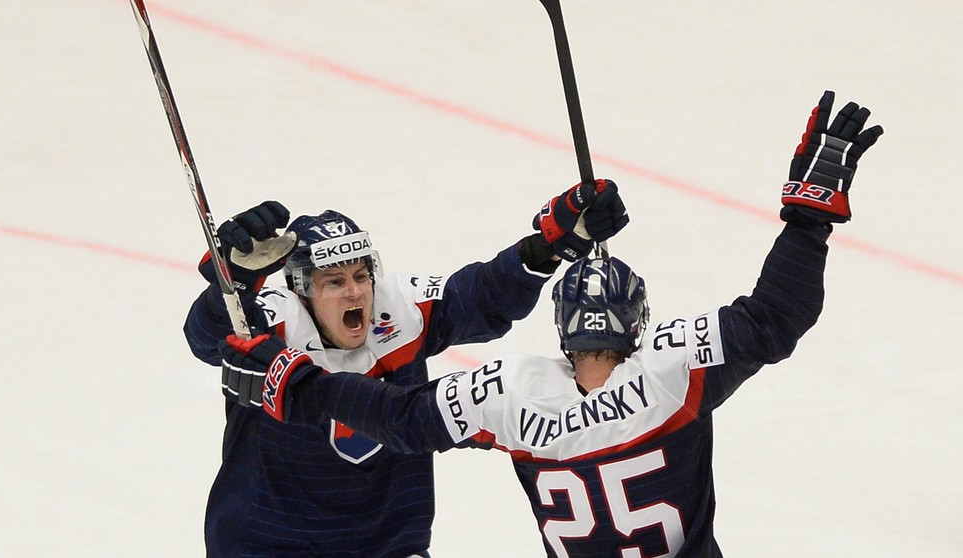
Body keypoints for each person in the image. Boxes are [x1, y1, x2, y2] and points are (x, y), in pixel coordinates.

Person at [219, 90, 883, 557]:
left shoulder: (511, 393)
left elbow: (401, 420)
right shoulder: (671, 373)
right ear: (638, 326)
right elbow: (776, 316)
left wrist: (298, 386)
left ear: (563, 330)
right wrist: (809, 217)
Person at [183, 177, 629, 557]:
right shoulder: (269, 325)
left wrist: (549, 245)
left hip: (389, 545)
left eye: (360, 276)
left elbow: (481, 296)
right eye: (334, 282)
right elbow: (208, 337)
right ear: (301, 291)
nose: (355, 293)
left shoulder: (401, 315)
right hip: (269, 545)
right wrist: (235, 279)